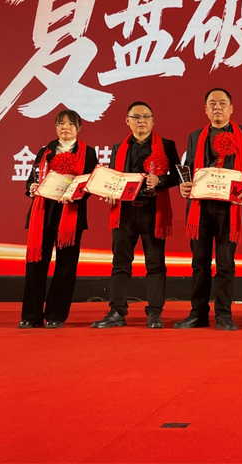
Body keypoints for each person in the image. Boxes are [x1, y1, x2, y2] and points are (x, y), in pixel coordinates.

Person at [174, 88, 242, 331]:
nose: (217, 107)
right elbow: (188, 168)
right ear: (205, 109)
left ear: (231, 108)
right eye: (212, 103)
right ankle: (198, 313)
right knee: (199, 263)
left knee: (225, 264)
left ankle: (224, 314)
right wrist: (183, 185)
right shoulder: (195, 136)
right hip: (200, 208)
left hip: (229, 208)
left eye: (222, 103)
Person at [91, 101, 181, 330]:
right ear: (127, 121)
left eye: (146, 117)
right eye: (136, 117)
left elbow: (178, 175)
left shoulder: (167, 145)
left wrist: (160, 181)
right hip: (124, 212)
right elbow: (114, 178)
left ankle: (155, 313)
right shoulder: (118, 148)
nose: (141, 121)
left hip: (153, 210)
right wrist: (109, 192)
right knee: (120, 262)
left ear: (153, 120)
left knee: (155, 263)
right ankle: (117, 311)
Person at [20, 110, 98, 328]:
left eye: (71, 124)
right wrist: (32, 187)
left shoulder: (88, 153)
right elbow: (32, 179)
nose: (65, 128)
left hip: (70, 215)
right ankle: (31, 316)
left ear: (79, 128)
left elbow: (90, 183)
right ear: (55, 127)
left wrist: (75, 194)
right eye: (61, 123)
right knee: (36, 264)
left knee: (66, 267)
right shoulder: (45, 151)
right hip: (43, 214)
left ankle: (56, 315)